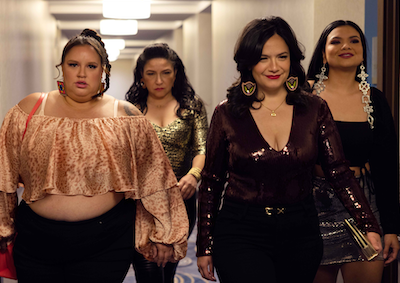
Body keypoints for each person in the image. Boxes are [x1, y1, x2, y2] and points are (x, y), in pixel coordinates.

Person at [196, 16, 383, 283]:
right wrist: (204, 245)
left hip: (300, 230)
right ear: (248, 63)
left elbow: (338, 171)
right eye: (263, 58)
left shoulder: (315, 108)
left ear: (292, 60)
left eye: (282, 57)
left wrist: (368, 224)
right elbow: (212, 182)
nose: (274, 67)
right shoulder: (226, 113)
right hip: (241, 229)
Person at [0, 29, 188, 283]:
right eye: (73, 64)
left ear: (103, 72)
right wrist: (3, 225)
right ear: (62, 68)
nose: (81, 73)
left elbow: (154, 176)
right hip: (37, 240)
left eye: (91, 66)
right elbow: (4, 173)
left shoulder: (125, 116)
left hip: (105, 241)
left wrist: (165, 233)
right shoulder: (29, 110)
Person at [307, 20, 400, 283]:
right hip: (313, 208)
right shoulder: (305, 95)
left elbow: (387, 167)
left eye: (354, 40)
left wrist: (392, 228)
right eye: (336, 41)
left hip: (364, 208)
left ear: (362, 51)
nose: (346, 46)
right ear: (323, 53)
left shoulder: (375, 99)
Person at [126, 43, 208, 282]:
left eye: (166, 73)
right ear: (141, 77)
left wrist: (194, 175)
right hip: (142, 203)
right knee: (147, 270)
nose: (159, 80)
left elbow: (201, 148)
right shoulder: (131, 110)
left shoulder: (192, 107)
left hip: (181, 199)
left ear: (176, 74)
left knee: (168, 268)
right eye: (151, 74)